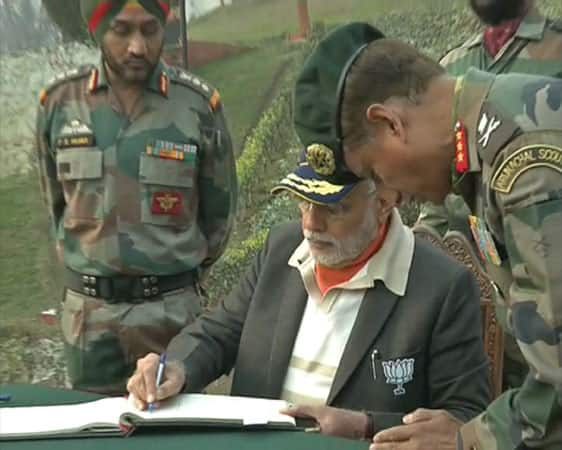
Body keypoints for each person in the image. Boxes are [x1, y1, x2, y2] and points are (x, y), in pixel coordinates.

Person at [293, 21, 561, 450]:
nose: (393, 198)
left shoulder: (522, 159)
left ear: (390, 123)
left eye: (376, 173)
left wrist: (464, 438)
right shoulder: (488, 138)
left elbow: (556, 389)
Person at [126, 158, 490, 441]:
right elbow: (219, 332)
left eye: (333, 208)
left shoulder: (442, 287)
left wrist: (364, 426)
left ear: (383, 202)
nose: (311, 225)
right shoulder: (281, 250)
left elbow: (465, 418)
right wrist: (176, 368)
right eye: (304, 202)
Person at [36, 0, 237, 394]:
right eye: (121, 30)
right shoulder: (59, 104)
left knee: (178, 436)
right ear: (97, 30)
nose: (137, 47)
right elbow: (56, 206)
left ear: (166, 26)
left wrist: (167, 272)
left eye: (149, 29)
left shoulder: (196, 106)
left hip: (172, 321)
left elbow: (219, 219)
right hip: (90, 327)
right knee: (92, 434)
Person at [417, 0, 562, 393]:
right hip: (475, 297)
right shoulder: (451, 69)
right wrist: (425, 246)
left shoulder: (556, 50)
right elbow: (437, 194)